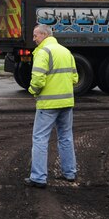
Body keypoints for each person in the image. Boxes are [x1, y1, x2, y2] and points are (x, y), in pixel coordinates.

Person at [24, 24, 78, 188]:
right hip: (66, 102)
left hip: (48, 104)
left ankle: (38, 178)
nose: (34, 39)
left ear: (44, 35)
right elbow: (75, 78)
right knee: (66, 137)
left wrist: (33, 91)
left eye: (36, 35)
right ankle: (70, 173)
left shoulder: (43, 52)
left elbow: (38, 79)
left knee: (40, 139)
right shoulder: (65, 51)